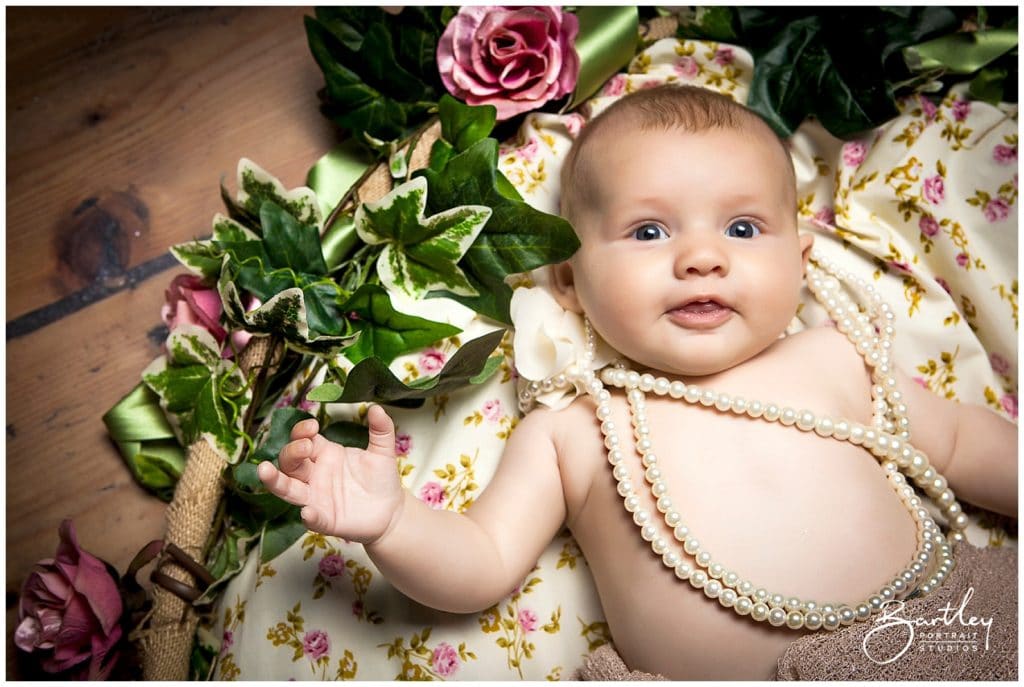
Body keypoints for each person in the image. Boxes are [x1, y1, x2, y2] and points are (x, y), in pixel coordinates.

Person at [258, 85, 1018, 680]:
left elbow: (962, 441)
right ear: (567, 280)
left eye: (744, 228)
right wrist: (394, 525)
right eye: (649, 231)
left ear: (800, 254)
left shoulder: (835, 355)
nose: (701, 258)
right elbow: (482, 561)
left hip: (941, 642)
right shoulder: (573, 429)